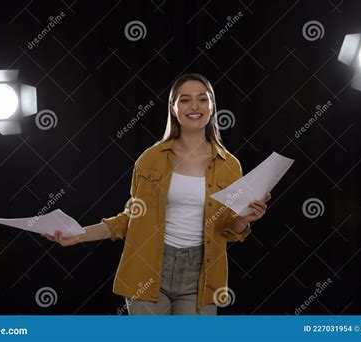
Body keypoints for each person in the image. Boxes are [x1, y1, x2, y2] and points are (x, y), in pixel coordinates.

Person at [43, 73, 271, 315]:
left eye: (203, 99)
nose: (195, 106)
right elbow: (129, 219)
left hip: (201, 275)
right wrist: (77, 235)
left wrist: (244, 219)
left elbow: (227, 229)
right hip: (147, 269)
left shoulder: (230, 165)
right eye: (184, 100)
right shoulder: (150, 159)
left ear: (212, 106)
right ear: (173, 109)